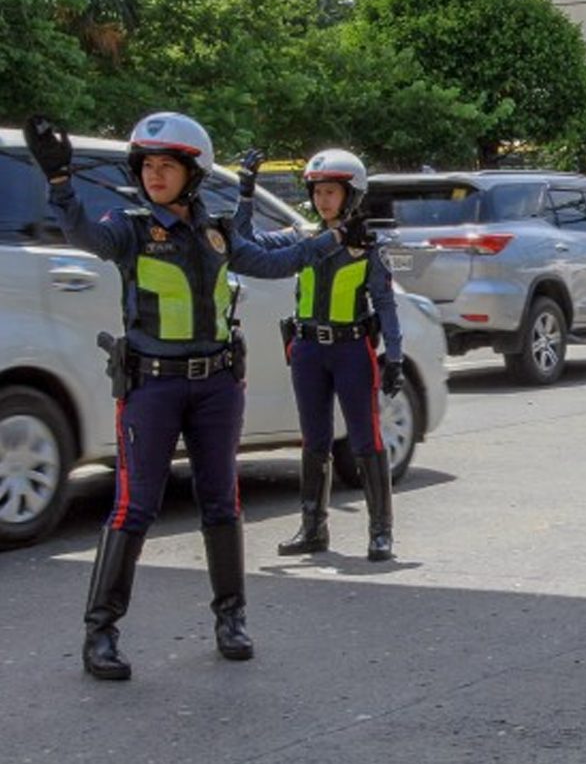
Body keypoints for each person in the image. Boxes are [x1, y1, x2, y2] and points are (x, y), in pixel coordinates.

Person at [22, 113, 370, 681]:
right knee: (135, 506)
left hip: (216, 386)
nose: (155, 176)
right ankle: (101, 633)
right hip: (152, 386)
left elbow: (274, 263)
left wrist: (332, 240)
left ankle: (231, 620)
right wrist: (60, 184)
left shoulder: (218, 231)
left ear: (194, 174)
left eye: (167, 166)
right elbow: (83, 235)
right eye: (148, 166)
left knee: (220, 500)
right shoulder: (128, 226)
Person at [234, 148, 403, 562]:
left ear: (352, 195)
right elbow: (244, 244)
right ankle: (313, 529)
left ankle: (381, 532)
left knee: (366, 440)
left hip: (352, 351)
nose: (323, 200)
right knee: (314, 440)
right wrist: (245, 193)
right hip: (308, 350)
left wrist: (395, 356)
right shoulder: (302, 237)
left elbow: (385, 304)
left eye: (332, 192)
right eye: (318, 191)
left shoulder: (369, 248)